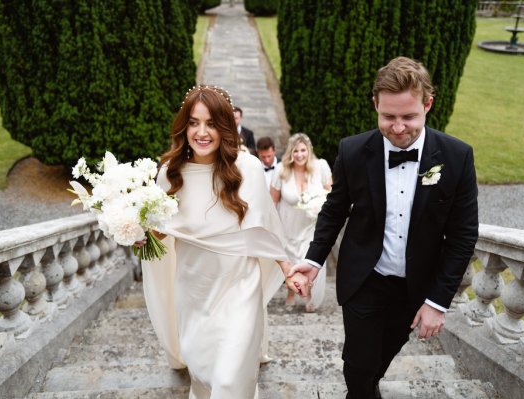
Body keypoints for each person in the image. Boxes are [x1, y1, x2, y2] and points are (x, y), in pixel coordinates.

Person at [289, 57, 479, 398]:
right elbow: (334, 211)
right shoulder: (352, 151)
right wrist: (313, 261)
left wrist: (438, 301)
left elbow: (463, 235)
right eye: (388, 116)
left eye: (409, 116)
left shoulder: (457, 157)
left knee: (375, 366)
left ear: (428, 104)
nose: (398, 127)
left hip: (415, 289)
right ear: (375, 104)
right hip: (365, 279)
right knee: (359, 367)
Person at [138, 85, 308, 399]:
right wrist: (139, 233)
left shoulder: (249, 169)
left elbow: (267, 227)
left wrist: (288, 270)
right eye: (193, 122)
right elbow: (158, 235)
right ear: (183, 126)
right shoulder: (169, 175)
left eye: (212, 124)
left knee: (229, 381)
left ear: (226, 127)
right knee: (205, 378)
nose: (202, 132)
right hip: (193, 292)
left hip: (239, 289)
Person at [270, 133, 332, 312]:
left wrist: (321, 208)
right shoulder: (281, 170)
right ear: (290, 152)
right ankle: (291, 292)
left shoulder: (320, 167)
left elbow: (330, 194)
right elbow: (273, 200)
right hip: (288, 226)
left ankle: (308, 295)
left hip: (310, 226)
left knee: (309, 259)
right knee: (291, 262)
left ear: (309, 151)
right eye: (296, 151)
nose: (299, 154)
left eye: (303, 150)